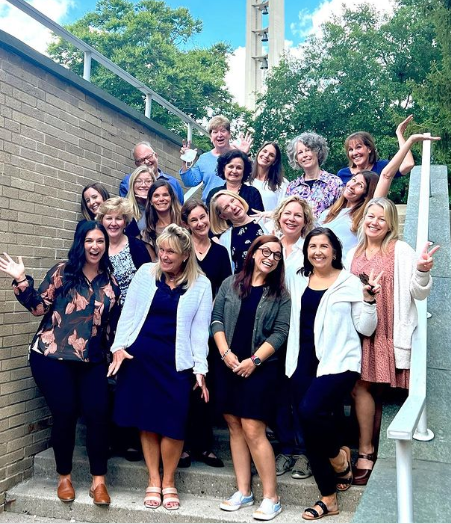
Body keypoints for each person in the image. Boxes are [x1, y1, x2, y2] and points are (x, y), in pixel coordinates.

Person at [0, 221, 121, 506]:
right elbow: (38, 307)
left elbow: (110, 326)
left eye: (100, 241)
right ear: (81, 243)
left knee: (98, 413)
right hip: (52, 357)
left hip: (92, 359)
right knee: (65, 413)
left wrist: (118, 351)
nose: (95, 246)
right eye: (89, 241)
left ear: (106, 245)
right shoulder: (63, 272)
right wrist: (21, 280)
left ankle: (98, 482)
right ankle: (64, 477)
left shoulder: (110, 281)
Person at [107, 224, 212, 511]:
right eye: (162, 250)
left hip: (176, 363)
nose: (164, 256)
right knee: (147, 421)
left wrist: (200, 368)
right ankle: (154, 479)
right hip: (141, 358)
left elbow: (200, 331)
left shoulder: (201, 284)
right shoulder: (145, 273)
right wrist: (118, 347)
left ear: (185, 255)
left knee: (173, 425)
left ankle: (169, 481)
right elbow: (129, 314)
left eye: (171, 252)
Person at [285, 227, 379, 520]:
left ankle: (339, 458)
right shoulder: (298, 279)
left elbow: (366, 328)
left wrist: (369, 300)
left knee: (310, 411)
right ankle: (328, 498)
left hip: (339, 362)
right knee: (308, 425)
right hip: (301, 362)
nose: (318, 251)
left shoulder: (350, 282)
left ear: (335, 251)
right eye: (312, 246)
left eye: (324, 246)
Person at [347, 197, 439, 486]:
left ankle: (366, 452)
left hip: (388, 330)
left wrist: (422, 270)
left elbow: (418, 292)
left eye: (381, 218)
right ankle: (367, 448)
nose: (374, 222)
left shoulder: (400, 250)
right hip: (360, 330)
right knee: (364, 389)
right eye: (370, 216)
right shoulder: (352, 252)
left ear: (390, 224)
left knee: (365, 388)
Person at [211, 235, 291, 521]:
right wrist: (225, 353)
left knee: (253, 429)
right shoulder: (230, 283)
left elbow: (281, 333)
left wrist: (255, 360)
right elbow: (216, 319)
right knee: (234, 426)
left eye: (277, 255)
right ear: (254, 252)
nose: (270, 257)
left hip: (260, 368)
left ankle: (272, 497)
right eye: (266, 251)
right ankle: (244, 491)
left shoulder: (280, 294)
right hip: (229, 364)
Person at [320, 133, 442, 259]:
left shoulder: (365, 215)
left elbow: (387, 175)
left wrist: (408, 140)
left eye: (360, 185)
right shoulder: (330, 212)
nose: (352, 185)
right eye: (353, 180)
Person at [179, 199, 232, 468]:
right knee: (184, 385)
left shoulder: (220, 252)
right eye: (194, 220)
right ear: (186, 224)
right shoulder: (183, 250)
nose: (200, 223)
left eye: (203, 217)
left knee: (205, 385)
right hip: (183, 327)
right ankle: (182, 445)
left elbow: (226, 288)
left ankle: (203, 445)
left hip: (210, 327)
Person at [179, 115, 253, 202]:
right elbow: (190, 182)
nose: (219, 135)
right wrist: (185, 160)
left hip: (235, 205)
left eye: (223, 131)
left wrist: (245, 155)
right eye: (215, 132)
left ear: (229, 134)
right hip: (210, 206)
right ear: (211, 137)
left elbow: (252, 177)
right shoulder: (204, 158)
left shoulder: (239, 156)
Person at [96, 197, 154, 304]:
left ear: (125, 222)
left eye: (118, 218)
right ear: (101, 221)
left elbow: (149, 282)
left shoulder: (137, 247)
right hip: (104, 311)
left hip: (133, 308)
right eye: (109, 218)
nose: (113, 223)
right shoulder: (96, 248)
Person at [337, 115, 415, 184]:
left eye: (358, 147)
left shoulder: (382, 167)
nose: (354, 153)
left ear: (369, 149)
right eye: (350, 149)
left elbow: (408, 164)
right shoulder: (343, 174)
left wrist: (399, 134)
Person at [285, 132, 343, 219]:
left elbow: (342, 213)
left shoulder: (334, 182)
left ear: (318, 152)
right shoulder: (292, 187)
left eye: (307, 150)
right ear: (296, 159)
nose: (304, 155)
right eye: (300, 152)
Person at [210, 190, 267, 273]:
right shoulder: (225, 239)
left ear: (239, 199)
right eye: (226, 207)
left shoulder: (265, 222)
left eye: (233, 200)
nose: (233, 207)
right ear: (223, 216)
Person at [119, 141, 184, 204]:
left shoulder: (173, 182)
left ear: (156, 156)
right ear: (136, 164)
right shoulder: (128, 181)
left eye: (149, 157)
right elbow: (124, 208)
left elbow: (180, 209)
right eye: (141, 160)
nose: (146, 162)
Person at [273, 195, 315, 280]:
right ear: (279, 217)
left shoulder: (310, 250)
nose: (291, 219)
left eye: (298, 215)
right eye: (287, 213)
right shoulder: (272, 246)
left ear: (305, 222)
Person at [141, 179, 182, 254]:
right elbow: (153, 260)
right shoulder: (148, 233)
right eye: (156, 196)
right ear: (151, 201)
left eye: (165, 195)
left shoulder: (185, 221)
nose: (161, 199)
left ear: (171, 198)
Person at [248, 141, 289, 212]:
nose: (266, 155)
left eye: (271, 155)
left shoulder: (282, 183)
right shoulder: (245, 178)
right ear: (258, 153)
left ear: (275, 161)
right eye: (264, 151)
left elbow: (284, 210)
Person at [125, 165, 158, 235]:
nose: (143, 185)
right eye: (138, 181)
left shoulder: (159, 208)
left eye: (148, 181)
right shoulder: (124, 208)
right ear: (132, 184)